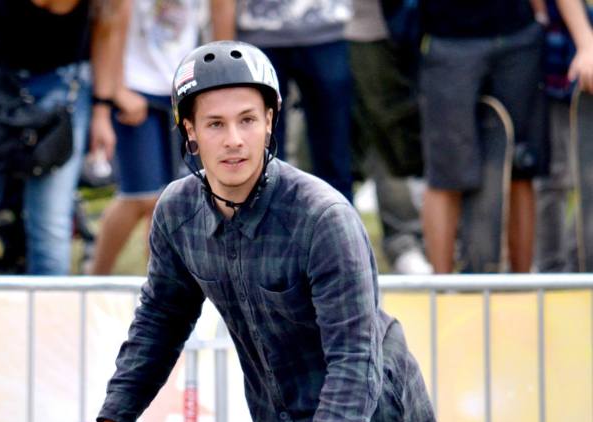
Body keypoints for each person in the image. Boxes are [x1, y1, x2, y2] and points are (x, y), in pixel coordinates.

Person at [75, 41, 439, 422]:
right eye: (215, 124)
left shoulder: (322, 218)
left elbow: (354, 362)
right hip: (289, 419)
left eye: (248, 120)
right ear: (189, 130)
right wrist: (116, 416)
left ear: (271, 122)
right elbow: (160, 321)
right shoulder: (178, 212)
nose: (234, 139)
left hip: (363, 410)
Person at [0, 0, 125, 275]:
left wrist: (102, 111)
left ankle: (47, 305)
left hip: (63, 83)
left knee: (51, 226)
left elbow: (110, 24)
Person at [417, 0, 549, 273]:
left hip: (517, 33)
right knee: (445, 173)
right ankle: (440, 289)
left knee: (521, 165)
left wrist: (539, 14)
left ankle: (522, 285)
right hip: (447, 38)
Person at [89, 0, 200, 275]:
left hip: (184, 87)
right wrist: (117, 88)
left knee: (174, 197)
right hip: (135, 87)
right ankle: (95, 275)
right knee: (140, 196)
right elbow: (111, 23)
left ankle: (158, 281)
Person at [211, 0, 355, 201]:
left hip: (328, 29)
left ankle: (339, 217)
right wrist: (223, 56)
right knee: (261, 151)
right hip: (258, 33)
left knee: (335, 152)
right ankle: (261, 217)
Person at [346, 0, 432, 275]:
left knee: (391, 134)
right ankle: (332, 246)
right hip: (309, 34)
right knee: (323, 148)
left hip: (381, 29)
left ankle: (404, 241)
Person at [536, 0, 593, 272]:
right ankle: (552, 268)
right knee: (557, 173)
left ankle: (578, 261)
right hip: (567, 56)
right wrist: (586, 43)